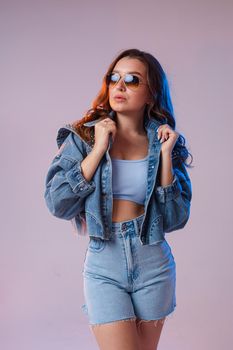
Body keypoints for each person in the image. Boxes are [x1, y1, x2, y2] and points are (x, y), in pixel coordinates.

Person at [44, 48, 193, 350]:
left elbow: (176, 219)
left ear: (151, 94)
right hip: (104, 262)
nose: (120, 86)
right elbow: (57, 201)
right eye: (114, 78)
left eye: (132, 80)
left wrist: (164, 159)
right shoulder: (83, 138)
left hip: (153, 261)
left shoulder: (166, 142)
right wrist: (99, 149)